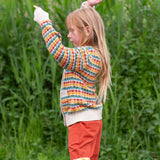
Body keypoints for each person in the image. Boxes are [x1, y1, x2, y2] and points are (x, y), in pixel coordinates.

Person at [33, 0, 111, 159]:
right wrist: (86, 8)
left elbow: (60, 53)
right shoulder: (91, 54)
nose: (68, 35)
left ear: (87, 31)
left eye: (72, 31)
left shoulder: (86, 55)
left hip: (82, 121)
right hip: (89, 120)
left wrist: (44, 22)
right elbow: (85, 27)